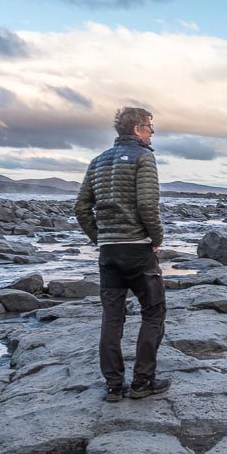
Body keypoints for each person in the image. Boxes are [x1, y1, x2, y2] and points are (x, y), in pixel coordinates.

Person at [75, 107, 169, 402]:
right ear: (138, 128)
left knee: (112, 319)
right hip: (138, 249)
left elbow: (81, 207)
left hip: (109, 252)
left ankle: (114, 386)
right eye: (150, 126)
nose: (153, 132)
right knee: (153, 314)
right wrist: (156, 238)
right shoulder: (144, 157)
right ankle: (143, 382)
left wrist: (100, 237)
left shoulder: (97, 160)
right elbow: (147, 205)